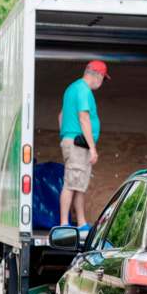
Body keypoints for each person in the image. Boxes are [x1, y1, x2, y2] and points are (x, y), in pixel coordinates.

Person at [58, 60, 110, 230]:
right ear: (98, 75)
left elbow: (61, 115)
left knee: (79, 185)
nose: (101, 83)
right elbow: (84, 117)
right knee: (71, 183)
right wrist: (92, 147)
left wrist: (64, 136)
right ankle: (64, 223)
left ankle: (81, 223)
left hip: (75, 143)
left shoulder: (71, 89)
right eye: (103, 78)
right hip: (78, 145)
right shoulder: (83, 90)